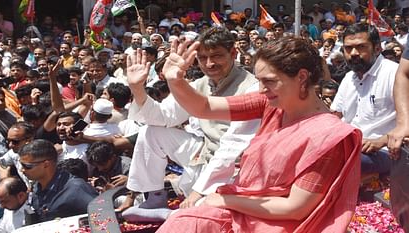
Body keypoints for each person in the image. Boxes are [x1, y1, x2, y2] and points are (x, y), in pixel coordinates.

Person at [152, 36, 362, 232]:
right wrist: (176, 81)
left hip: (279, 224)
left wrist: (225, 200)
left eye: (269, 81)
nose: (261, 89)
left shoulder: (328, 136)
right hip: (244, 208)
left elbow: (296, 208)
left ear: (302, 77)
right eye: (259, 80)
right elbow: (204, 107)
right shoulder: (271, 104)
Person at [122, 27, 259, 214]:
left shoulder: (252, 88)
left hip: (238, 165)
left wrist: (197, 192)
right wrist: (137, 88)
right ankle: (154, 198)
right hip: (204, 152)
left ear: (233, 53)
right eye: (203, 58)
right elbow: (162, 117)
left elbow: (234, 146)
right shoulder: (199, 84)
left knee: (196, 212)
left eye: (217, 56)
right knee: (151, 132)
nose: (209, 64)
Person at [330, 23, 398, 175]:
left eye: (361, 47)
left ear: (377, 48)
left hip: (384, 151)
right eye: (348, 48)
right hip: (349, 146)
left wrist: (380, 141)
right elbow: (336, 116)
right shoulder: (348, 79)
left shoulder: (395, 75)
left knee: (335, 160)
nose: (353, 53)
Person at [18, 139, 97, 223]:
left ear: (46, 164)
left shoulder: (76, 189)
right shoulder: (37, 187)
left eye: (27, 166)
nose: (22, 170)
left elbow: (102, 216)